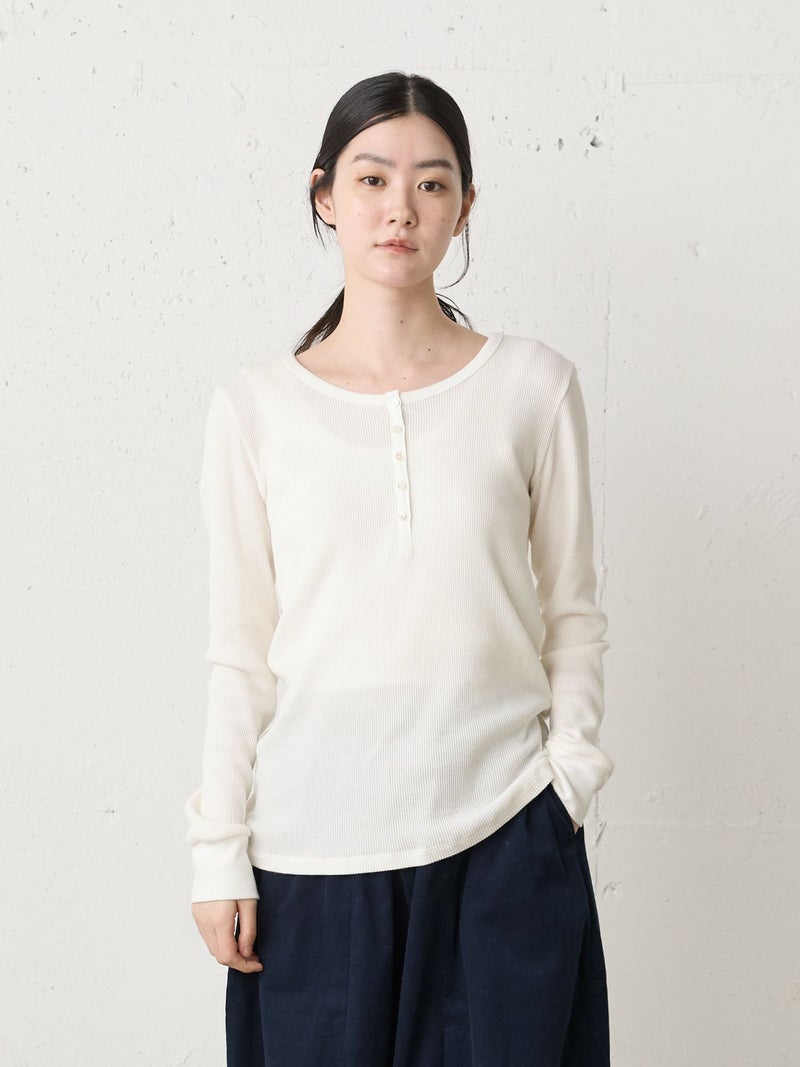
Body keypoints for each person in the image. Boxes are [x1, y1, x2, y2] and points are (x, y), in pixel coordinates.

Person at [185, 70, 615, 1067]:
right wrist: (217, 850)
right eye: (372, 178)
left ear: (464, 206)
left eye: (431, 183)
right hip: (308, 855)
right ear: (324, 196)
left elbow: (574, 613)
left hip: (504, 838)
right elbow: (240, 648)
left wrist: (566, 784)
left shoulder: (533, 386)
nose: (400, 208)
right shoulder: (255, 409)